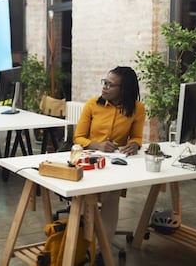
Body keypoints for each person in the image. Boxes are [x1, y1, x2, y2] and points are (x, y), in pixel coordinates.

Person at [73, 66, 145, 264]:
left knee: (112, 196)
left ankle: (102, 251)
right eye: (104, 82)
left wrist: (134, 144)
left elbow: (137, 136)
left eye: (110, 84)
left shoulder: (137, 109)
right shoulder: (92, 105)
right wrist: (97, 145)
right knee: (85, 197)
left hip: (115, 163)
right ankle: (81, 247)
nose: (104, 87)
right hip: (88, 160)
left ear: (124, 89)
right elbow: (78, 137)